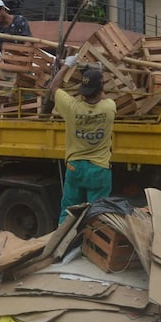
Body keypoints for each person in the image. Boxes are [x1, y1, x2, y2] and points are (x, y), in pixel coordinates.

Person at [49, 56, 116, 223]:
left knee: (68, 212)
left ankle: (62, 244)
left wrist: (66, 66)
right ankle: (91, 246)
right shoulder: (109, 107)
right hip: (99, 169)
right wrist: (96, 73)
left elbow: (54, 87)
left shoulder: (72, 108)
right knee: (97, 216)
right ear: (100, 90)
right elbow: (102, 95)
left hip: (75, 167)